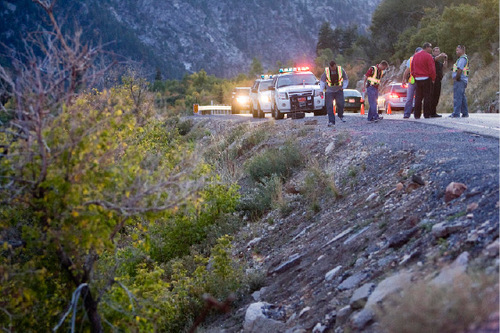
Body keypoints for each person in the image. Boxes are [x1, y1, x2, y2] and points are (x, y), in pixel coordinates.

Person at [410, 42, 436, 119]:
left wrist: (415, 76)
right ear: (427, 47)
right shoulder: (428, 56)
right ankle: (426, 114)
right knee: (427, 97)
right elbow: (432, 69)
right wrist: (433, 78)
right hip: (426, 79)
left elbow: (412, 68)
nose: (431, 49)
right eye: (430, 47)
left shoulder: (415, 56)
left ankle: (417, 114)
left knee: (418, 97)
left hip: (418, 79)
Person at [320, 60, 349, 127]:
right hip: (329, 91)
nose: (333, 68)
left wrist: (344, 87)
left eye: (334, 67)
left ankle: (340, 115)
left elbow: (345, 79)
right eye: (331, 67)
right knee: (329, 106)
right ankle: (331, 121)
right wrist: (321, 90)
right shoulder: (326, 71)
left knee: (341, 104)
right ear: (330, 66)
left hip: (338, 90)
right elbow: (322, 81)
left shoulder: (341, 70)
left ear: (335, 65)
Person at [450, 45, 469, 118]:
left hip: (460, 80)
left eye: (457, 50)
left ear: (462, 50)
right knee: (462, 97)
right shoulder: (463, 58)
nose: (456, 52)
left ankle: (456, 113)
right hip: (463, 80)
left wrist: (457, 78)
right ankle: (465, 113)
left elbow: (460, 69)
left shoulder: (462, 59)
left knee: (457, 97)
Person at [403, 47, 422, 119]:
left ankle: (416, 114)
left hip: (420, 82)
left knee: (418, 98)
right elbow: (407, 71)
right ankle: (406, 114)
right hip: (412, 82)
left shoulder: (422, 59)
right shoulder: (410, 60)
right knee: (409, 99)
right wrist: (404, 79)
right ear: (415, 52)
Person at [430, 46, 448, 117]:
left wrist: (445, 59)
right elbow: (434, 59)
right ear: (433, 52)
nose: (437, 53)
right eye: (436, 51)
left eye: (438, 51)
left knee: (436, 96)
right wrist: (440, 55)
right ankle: (430, 112)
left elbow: (444, 67)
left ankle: (433, 112)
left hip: (438, 80)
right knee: (432, 96)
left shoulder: (439, 62)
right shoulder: (431, 58)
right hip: (433, 80)